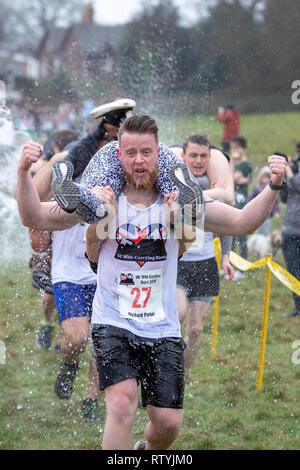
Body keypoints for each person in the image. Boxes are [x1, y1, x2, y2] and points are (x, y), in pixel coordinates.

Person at [176, 134, 234, 376]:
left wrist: (227, 256)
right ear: (184, 156)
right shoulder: (174, 185)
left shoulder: (215, 189)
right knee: (176, 316)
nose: (198, 161)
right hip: (178, 263)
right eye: (194, 156)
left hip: (206, 263)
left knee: (196, 329)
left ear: (209, 158)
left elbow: (229, 221)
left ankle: (180, 378)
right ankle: (161, 373)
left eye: (203, 156)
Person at [280, 148, 300, 318]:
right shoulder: (295, 174)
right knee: (293, 270)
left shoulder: (296, 177)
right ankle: (298, 305)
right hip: (291, 230)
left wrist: (289, 172)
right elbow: (284, 197)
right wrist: (284, 175)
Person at [230, 136, 253, 279]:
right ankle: (230, 267)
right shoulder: (232, 164)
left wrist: (235, 175)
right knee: (229, 237)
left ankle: (242, 268)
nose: (234, 151)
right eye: (232, 148)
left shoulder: (246, 165)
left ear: (243, 148)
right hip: (231, 204)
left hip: (242, 204)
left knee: (241, 237)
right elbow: (230, 177)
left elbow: (238, 178)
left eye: (237, 148)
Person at [247, 166, 280, 236]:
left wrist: (276, 211)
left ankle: (264, 243)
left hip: (267, 214)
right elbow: (251, 198)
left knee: (266, 230)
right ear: (261, 178)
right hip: (257, 213)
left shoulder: (271, 190)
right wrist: (250, 208)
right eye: (264, 177)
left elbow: (276, 201)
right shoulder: (257, 188)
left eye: (267, 177)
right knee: (257, 230)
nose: (265, 179)